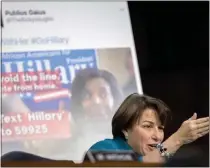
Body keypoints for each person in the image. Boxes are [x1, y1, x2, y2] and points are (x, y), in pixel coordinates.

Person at [86, 93, 209, 163]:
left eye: (160, 128)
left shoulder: (157, 160)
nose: (157, 136)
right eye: (147, 126)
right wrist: (178, 139)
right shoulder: (103, 148)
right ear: (125, 129)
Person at [69, 68, 124, 162]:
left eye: (103, 94)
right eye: (87, 96)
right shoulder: (70, 151)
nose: (96, 101)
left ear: (115, 99)